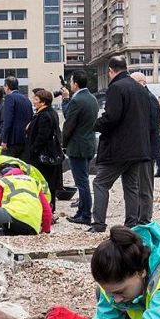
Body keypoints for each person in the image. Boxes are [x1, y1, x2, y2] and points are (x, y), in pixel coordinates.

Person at [88, 56, 152, 233]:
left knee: (100, 183)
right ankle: (131, 224)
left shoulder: (116, 87)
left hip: (119, 149)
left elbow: (112, 117)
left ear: (110, 70)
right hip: (138, 148)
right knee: (131, 186)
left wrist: (97, 125)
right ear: (126, 68)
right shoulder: (140, 89)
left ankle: (98, 224)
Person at [0, 156, 51, 243]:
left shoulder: (2, 181)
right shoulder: (33, 182)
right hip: (33, 228)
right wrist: (45, 233)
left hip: (15, 221)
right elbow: (47, 210)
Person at [62, 70, 98, 225]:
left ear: (75, 83)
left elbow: (69, 122)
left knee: (81, 182)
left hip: (77, 146)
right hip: (89, 144)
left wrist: (65, 101)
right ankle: (81, 212)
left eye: (71, 82)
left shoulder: (77, 101)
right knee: (83, 180)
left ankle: (85, 215)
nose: (70, 84)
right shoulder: (92, 98)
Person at [24, 87, 64, 212]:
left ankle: (48, 209)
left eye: (36, 99)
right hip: (45, 154)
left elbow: (42, 137)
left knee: (46, 182)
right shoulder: (45, 113)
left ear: (43, 102)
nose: (33, 101)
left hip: (43, 157)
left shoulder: (45, 115)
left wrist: (33, 150)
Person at [131, 71, 160, 214]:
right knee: (140, 185)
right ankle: (139, 215)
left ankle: (144, 218)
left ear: (143, 83)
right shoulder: (145, 98)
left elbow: (151, 127)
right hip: (142, 150)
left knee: (145, 187)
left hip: (147, 151)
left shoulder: (149, 99)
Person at [0, 76, 33, 158]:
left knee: (12, 166)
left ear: (7, 86)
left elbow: (8, 120)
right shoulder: (26, 99)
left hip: (12, 140)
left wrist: (4, 140)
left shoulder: (9, 98)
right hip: (24, 139)